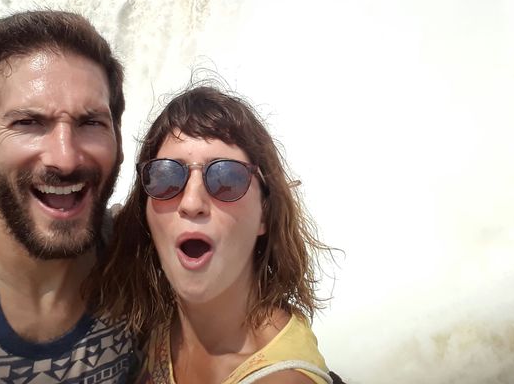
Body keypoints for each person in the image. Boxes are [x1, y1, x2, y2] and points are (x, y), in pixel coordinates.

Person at [89, 85, 335, 383]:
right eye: (166, 177)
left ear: (265, 215)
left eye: (226, 178)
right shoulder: (154, 313)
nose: (191, 203)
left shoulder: (282, 377)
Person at [0, 10, 140, 382]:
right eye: (29, 123)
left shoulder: (139, 263)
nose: (65, 158)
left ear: (119, 139)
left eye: (91, 122)